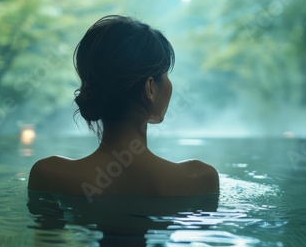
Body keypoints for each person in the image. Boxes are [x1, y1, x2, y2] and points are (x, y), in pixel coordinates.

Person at [28, 15, 219, 201]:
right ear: (150, 88)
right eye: (166, 73)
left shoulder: (49, 176)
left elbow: (48, 234)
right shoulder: (200, 179)